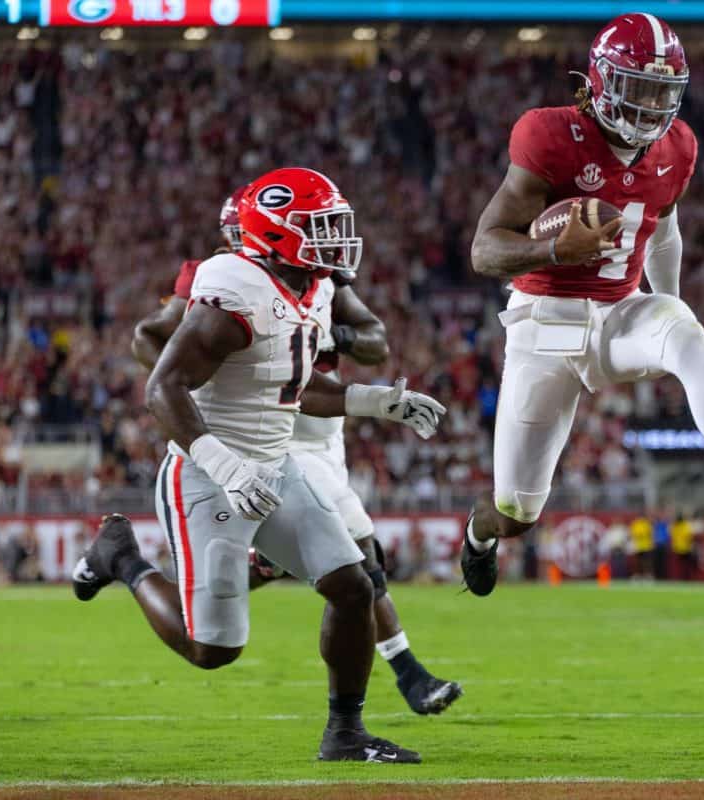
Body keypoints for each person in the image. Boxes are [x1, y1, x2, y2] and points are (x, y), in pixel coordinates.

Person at [72, 168, 447, 763]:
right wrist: (226, 466)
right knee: (212, 649)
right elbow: (163, 389)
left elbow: (292, 387)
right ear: (276, 231)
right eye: (319, 227)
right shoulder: (232, 289)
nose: (335, 239)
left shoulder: (311, 286)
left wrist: (380, 401)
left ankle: (345, 733)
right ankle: (121, 557)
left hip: (275, 464)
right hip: (208, 473)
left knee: (353, 587)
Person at [459, 12, 704, 595]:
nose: (651, 105)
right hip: (544, 325)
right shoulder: (548, 135)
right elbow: (484, 250)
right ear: (599, 81)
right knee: (517, 511)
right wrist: (554, 248)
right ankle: (480, 532)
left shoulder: (678, 146)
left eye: (662, 91)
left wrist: (677, 321)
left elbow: (666, 235)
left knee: (686, 330)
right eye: (638, 87)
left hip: (621, 312)